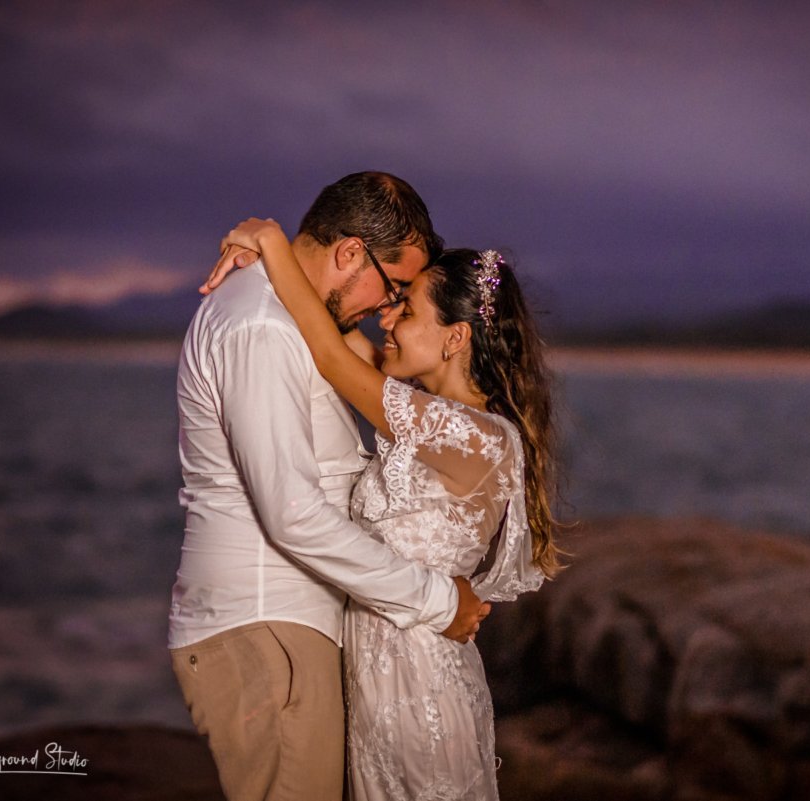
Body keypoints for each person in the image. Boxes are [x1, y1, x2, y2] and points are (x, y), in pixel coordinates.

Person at [204, 216, 561, 801]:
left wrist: (270, 239)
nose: (387, 318)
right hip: (380, 675)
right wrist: (275, 269)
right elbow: (334, 326)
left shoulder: (474, 435)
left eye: (408, 311)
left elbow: (330, 354)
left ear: (456, 338)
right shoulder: (424, 417)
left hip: (419, 684)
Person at [169, 172, 490, 801]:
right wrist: (438, 600)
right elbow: (293, 516)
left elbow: (342, 354)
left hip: (285, 630)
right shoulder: (261, 327)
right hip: (267, 628)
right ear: (349, 252)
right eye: (392, 285)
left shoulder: (288, 319)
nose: (388, 308)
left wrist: (267, 239)